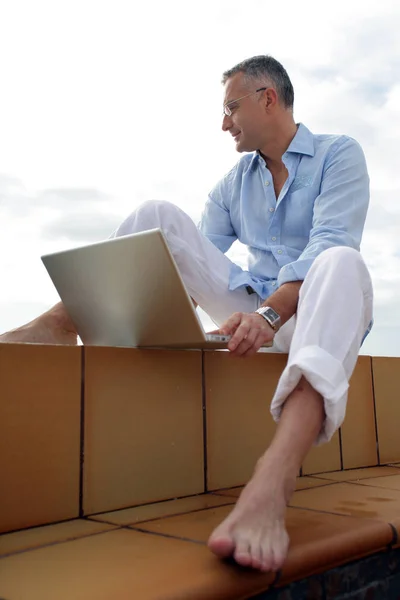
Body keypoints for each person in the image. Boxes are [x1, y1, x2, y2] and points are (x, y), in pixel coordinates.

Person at [0, 55, 373, 573]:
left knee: (343, 262)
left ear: (268, 98)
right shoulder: (233, 183)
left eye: (231, 107)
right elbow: (186, 259)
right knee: (157, 218)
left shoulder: (339, 155)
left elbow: (331, 239)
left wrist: (266, 317)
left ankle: (275, 475)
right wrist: (185, 327)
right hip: (253, 319)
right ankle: (60, 325)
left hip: (314, 319)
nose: (224, 123)